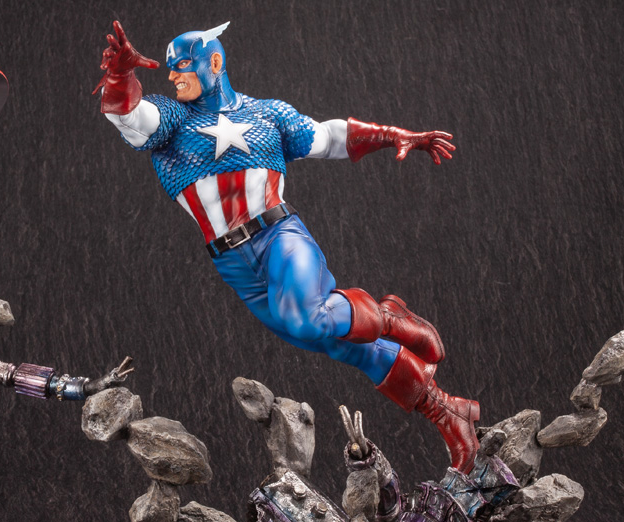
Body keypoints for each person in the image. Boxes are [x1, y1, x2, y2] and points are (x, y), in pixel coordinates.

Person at [94, 21, 480, 472]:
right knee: (336, 341)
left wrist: (393, 135)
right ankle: (448, 411)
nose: (173, 75)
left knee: (307, 318)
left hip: (279, 236)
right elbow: (129, 116)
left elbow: (328, 138)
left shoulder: (267, 115)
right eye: (170, 68)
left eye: (183, 66)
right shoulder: (172, 119)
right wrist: (119, 76)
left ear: (214, 62)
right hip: (233, 264)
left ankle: (388, 315)